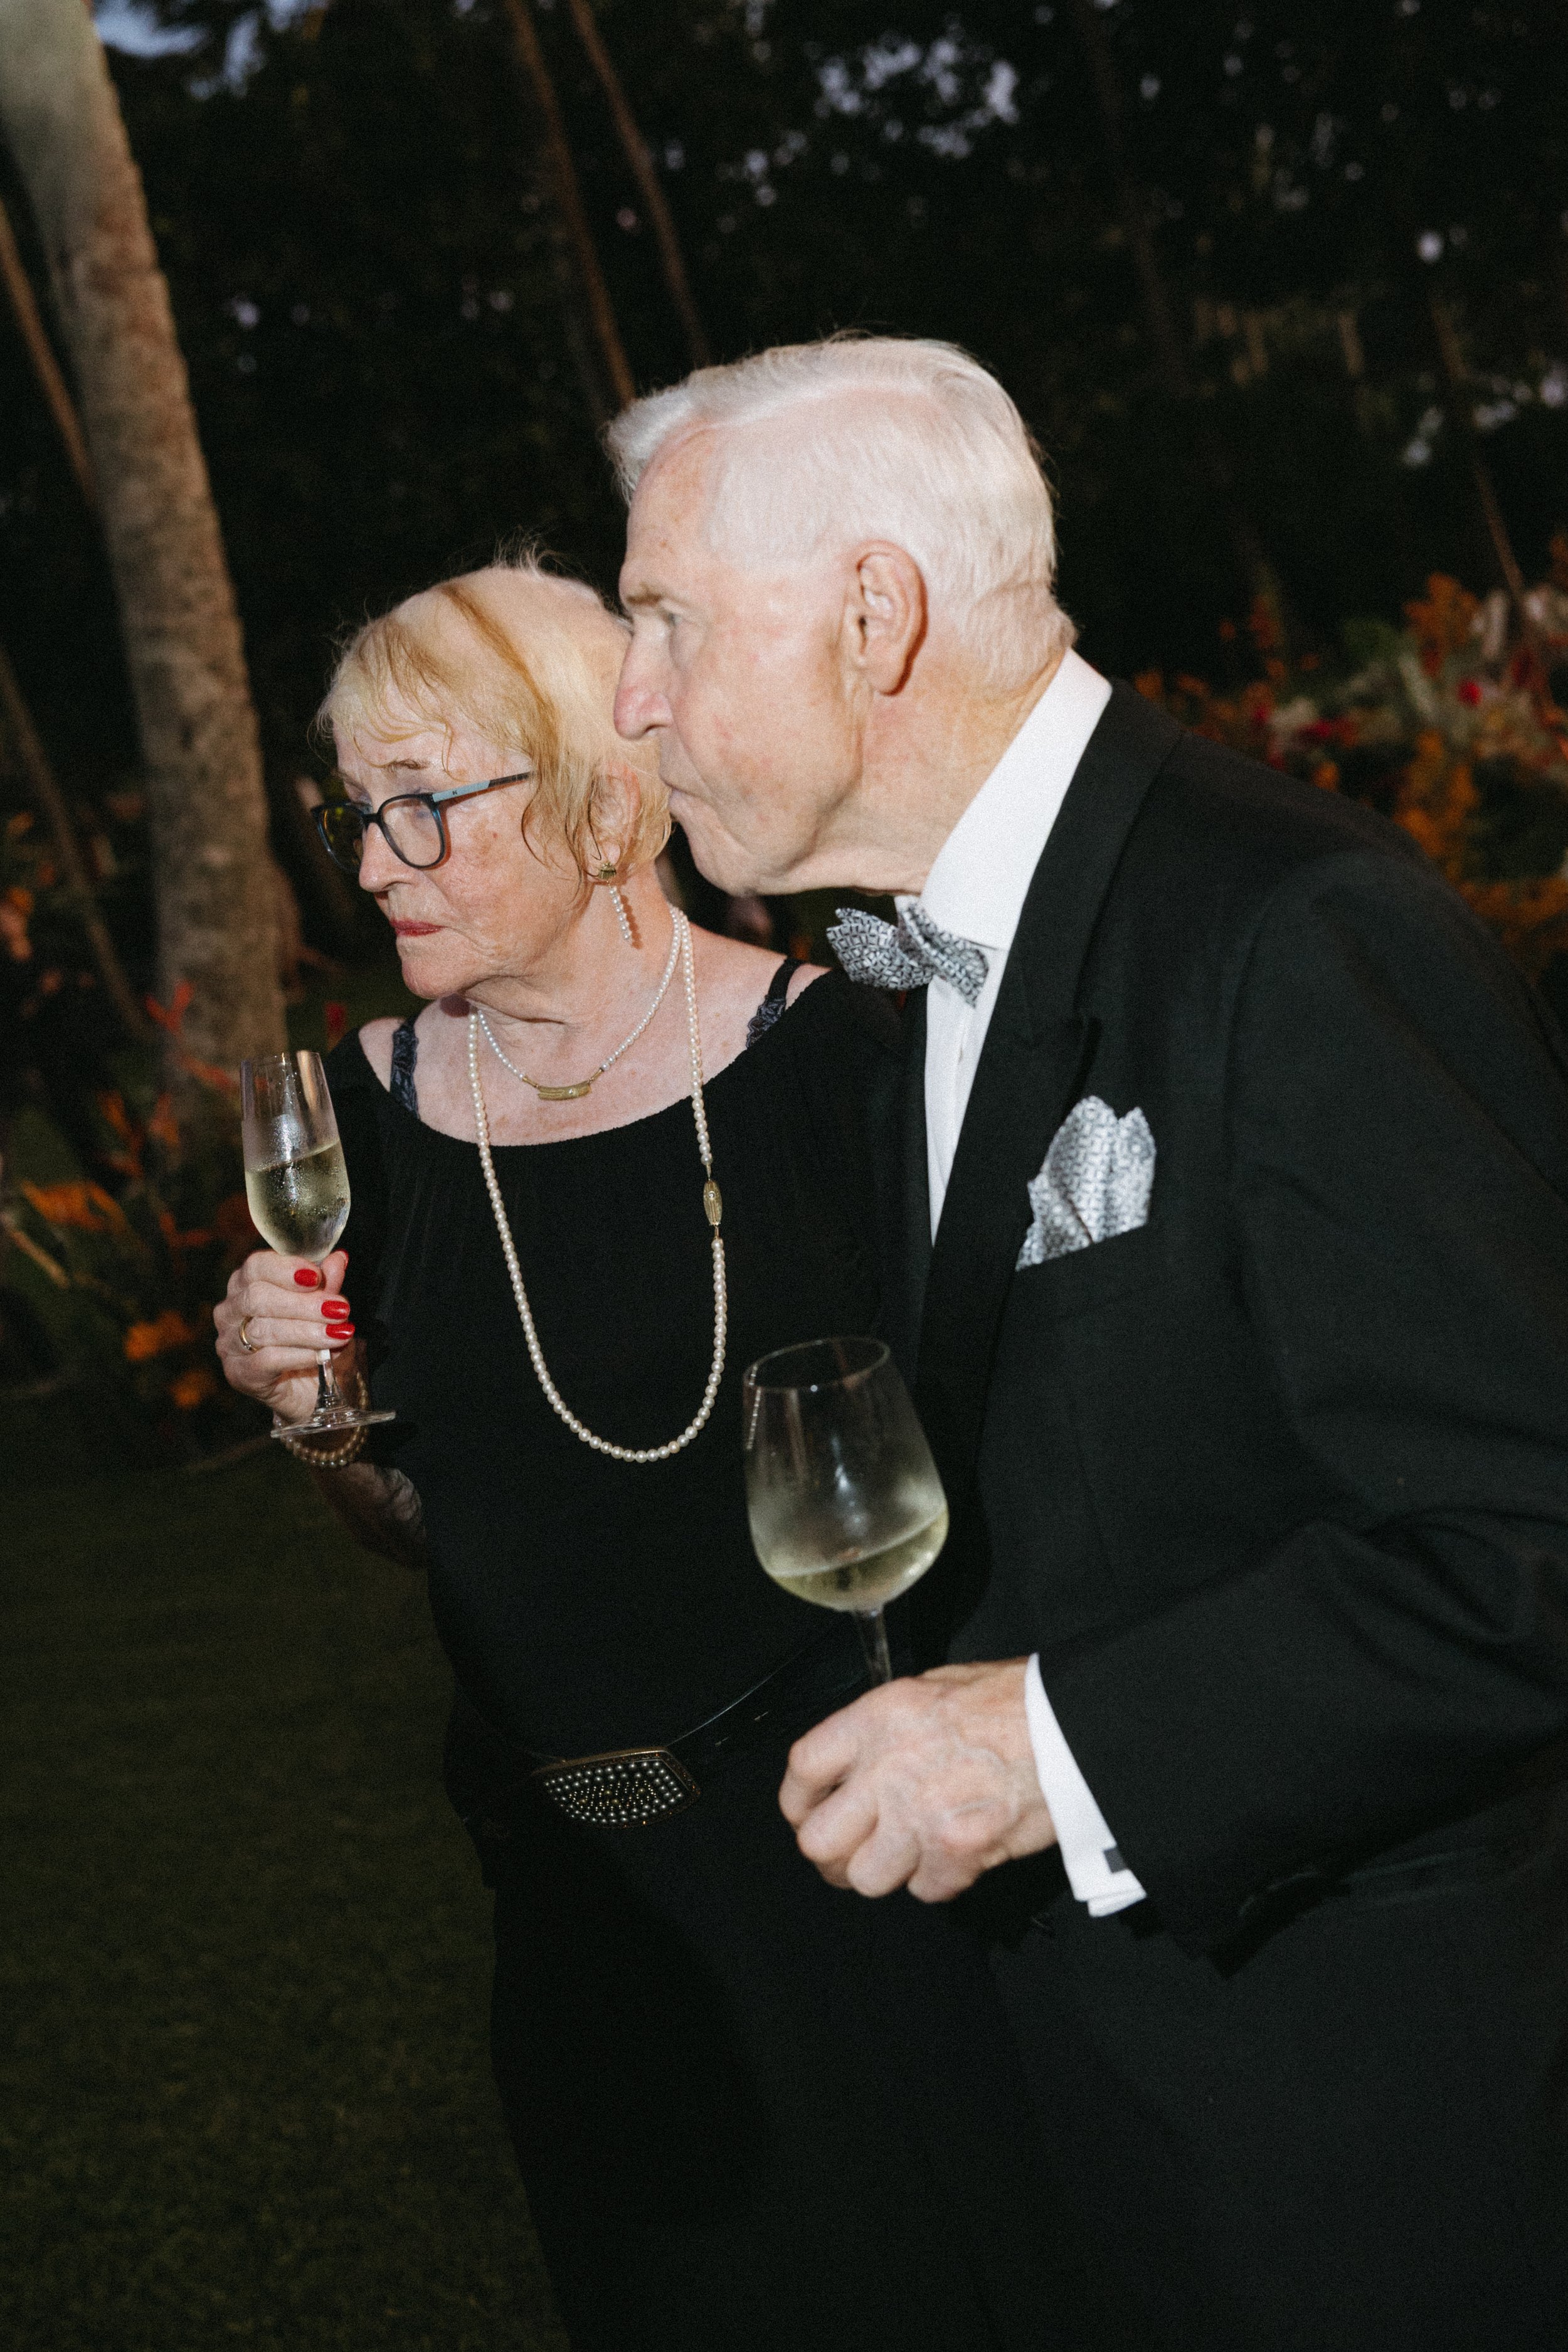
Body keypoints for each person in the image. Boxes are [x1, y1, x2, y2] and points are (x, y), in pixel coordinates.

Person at [608, 336, 1568, 2351]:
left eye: (667, 624)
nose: (634, 702)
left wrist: (1050, 1748)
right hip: (1111, 2111)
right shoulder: (907, 981)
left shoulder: (1287, 930)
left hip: (1375, 2142)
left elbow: (1520, 1551)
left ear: (871, 616)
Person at [213, 556, 1046, 2352]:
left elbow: (1011, 1465)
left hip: (861, 1871)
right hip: (583, 1916)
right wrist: (321, 1427)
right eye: (357, 813)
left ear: (604, 800)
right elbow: (427, 1520)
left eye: (427, 805)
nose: (370, 867)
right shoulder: (362, 1115)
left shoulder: (840, 1063)